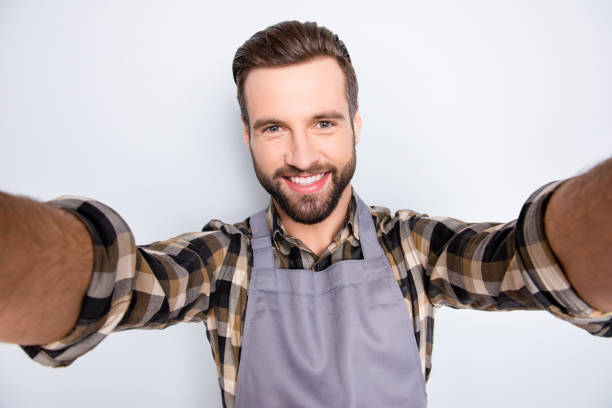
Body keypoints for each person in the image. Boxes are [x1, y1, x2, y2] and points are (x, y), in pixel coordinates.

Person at [0, 20, 611, 408]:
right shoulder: (223, 262)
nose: (301, 156)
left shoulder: (416, 249)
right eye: (273, 128)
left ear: (356, 124)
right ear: (247, 137)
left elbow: (530, 263)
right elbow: (114, 283)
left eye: (323, 122)